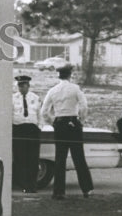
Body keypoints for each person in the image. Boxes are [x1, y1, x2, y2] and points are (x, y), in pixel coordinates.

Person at [39, 63, 93, 200]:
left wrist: (53, 123)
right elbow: (84, 106)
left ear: (59, 76)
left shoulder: (52, 90)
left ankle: (59, 192)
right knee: (79, 157)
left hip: (60, 123)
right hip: (73, 123)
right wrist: (81, 120)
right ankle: (86, 189)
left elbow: (44, 111)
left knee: (60, 158)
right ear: (70, 75)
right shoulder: (75, 88)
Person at [11, 75, 43, 192]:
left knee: (33, 159)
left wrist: (39, 127)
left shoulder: (35, 98)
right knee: (20, 158)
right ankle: (23, 185)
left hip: (32, 130)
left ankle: (32, 185)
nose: (21, 88)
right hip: (18, 129)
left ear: (28, 86)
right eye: (19, 86)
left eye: (23, 85)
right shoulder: (12, 99)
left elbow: (40, 115)